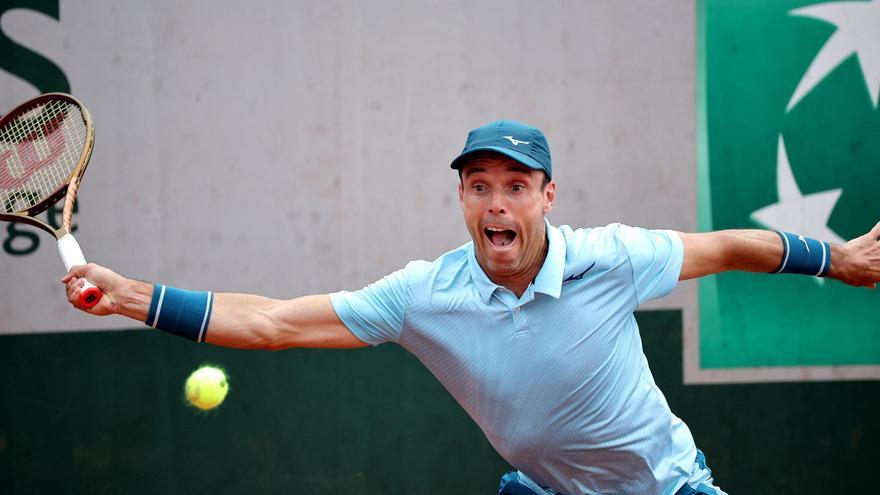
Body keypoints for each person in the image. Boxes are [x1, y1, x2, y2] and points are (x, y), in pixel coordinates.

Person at [63, 120, 880, 495]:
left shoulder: (614, 257)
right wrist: (130, 296)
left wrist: (836, 257)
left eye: (516, 186)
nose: (497, 203)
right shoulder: (425, 295)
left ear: (547, 197)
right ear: (462, 196)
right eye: (479, 185)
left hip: (665, 488)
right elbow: (274, 323)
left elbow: (732, 246)